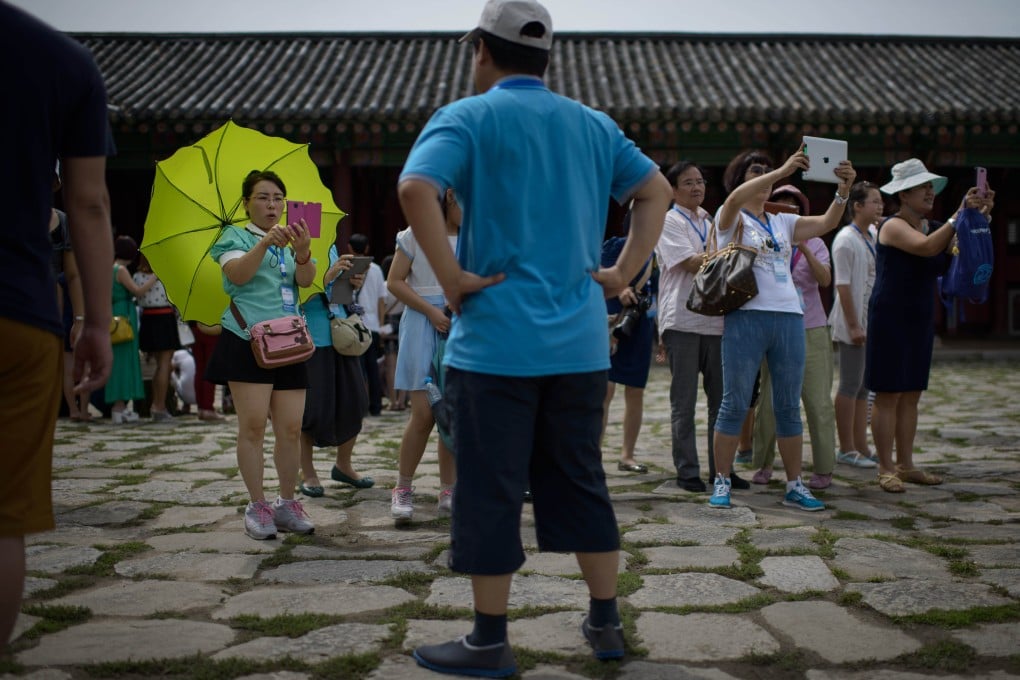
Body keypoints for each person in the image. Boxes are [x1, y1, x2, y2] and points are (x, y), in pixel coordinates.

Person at [397, 1, 672, 675]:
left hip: (492, 348)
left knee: (490, 488)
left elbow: (414, 186)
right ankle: (605, 625)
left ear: (479, 49)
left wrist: (454, 276)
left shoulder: (466, 116)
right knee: (582, 481)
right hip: (579, 345)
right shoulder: (592, 126)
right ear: (547, 58)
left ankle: (490, 641)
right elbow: (656, 191)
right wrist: (622, 272)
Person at [0, 2, 114, 652]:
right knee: (2, 523)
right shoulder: (63, 61)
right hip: (18, 308)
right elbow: (88, 201)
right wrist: (94, 322)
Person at [707, 148, 855, 512]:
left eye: (767, 175)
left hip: (790, 317)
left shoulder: (782, 223)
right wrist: (783, 169)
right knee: (734, 402)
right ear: (745, 183)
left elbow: (826, 223)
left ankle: (794, 484)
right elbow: (733, 199)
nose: (764, 180)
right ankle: (722, 480)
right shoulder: (731, 218)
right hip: (746, 318)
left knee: (788, 406)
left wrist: (844, 189)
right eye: (755, 174)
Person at [866, 159, 993, 492]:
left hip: (920, 315)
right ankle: (885, 467)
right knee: (888, 393)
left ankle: (906, 465)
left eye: (931, 187)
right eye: (922, 187)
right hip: (890, 316)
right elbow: (926, 248)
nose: (929, 192)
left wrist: (979, 216)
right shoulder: (891, 226)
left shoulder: (933, 225)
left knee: (911, 393)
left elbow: (957, 249)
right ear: (903, 194)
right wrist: (958, 214)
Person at [204, 169, 317, 539]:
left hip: (290, 342)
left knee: (291, 428)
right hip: (246, 339)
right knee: (252, 428)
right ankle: (257, 506)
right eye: (264, 197)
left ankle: (287, 503)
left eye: (278, 198)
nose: (272, 205)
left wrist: (303, 255)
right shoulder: (232, 236)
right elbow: (237, 275)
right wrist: (264, 243)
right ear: (246, 202)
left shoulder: (293, 236)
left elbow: (304, 282)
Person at [656, 161, 737, 492]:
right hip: (683, 320)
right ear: (673, 190)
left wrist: (730, 254)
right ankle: (687, 470)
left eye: (700, 181)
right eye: (687, 182)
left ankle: (722, 471)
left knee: (722, 402)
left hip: (717, 321)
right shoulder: (668, 220)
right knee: (684, 403)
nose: (696, 187)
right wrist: (733, 256)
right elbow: (690, 263)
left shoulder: (713, 220)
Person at [750, 185, 836, 489]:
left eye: (793, 208)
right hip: (775, 328)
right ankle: (762, 463)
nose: (787, 212)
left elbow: (825, 279)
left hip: (811, 327)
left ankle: (824, 467)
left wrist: (805, 247)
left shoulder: (816, 241)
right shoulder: (764, 240)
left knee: (816, 400)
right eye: (780, 208)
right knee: (770, 401)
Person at [386, 189, 459, 524]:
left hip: (460, 326)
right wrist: (432, 311)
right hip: (422, 322)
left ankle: (449, 490)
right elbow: (395, 282)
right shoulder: (415, 232)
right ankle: (403, 487)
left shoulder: (477, 236)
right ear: (449, 196)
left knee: (452, 412)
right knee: (423, 414)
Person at [297, 246, 373, 498]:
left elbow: (337, 297)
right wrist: (327, 277)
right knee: (310, 411)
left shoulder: (329, 245)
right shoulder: (290, 249)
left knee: (356, 403)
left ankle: (343, 464)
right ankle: (306, 471)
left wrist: (351, 284)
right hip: (311, 338)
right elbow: (294, 292)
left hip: (342, 336)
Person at [829, 181, 884, 468]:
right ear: (858, 206)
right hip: (853, 320)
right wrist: (853, 325)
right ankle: (846, 447)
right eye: (874, 201)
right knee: (850, 384)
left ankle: (861, 445)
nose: (880, 206)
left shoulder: (872, 234)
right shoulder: (845, 239)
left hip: (869, 318)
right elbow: (843, 285)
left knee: (865, 386)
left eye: (880, 201)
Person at [601, 214, 653, 475]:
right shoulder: (615, 246)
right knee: (605, 391)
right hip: (612, 323)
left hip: (640, 324)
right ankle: (594, 454)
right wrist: (620, 288)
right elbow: (600, 278)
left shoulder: (655, 250)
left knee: (635, 390)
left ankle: (627, 455)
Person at [50, 172, 90, 421]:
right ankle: (76, 410)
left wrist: (80, 318)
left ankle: (79, 410)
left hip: (62, 311)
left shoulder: (62, 221)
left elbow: (74, 276)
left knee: (72, 366)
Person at [107, 235, 157, 424]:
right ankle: (119, 407)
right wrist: (154, 277)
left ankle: (120, 407)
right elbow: (137, 291)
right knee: (125, 361)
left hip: (116, 312)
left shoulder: (110, 268)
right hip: (124, 315)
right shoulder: (120, 270)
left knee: (119, 360)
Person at [133, 254, 180, 422]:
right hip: (163, 318)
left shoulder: (137, 276)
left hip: (149, 319)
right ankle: (159, 406)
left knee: (160, 366)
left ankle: (157, 404)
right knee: (164, 365)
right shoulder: (162, 275)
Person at [348, 233, 387, 416]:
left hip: (355, 324)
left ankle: (360, 405)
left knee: (358, 367)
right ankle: (376, 406)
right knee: (373, 367)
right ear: (367, 248)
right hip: (373, 324)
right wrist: (381, 324)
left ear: (349, 248)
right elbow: (381, 301)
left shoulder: (347, 266)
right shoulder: (377, 270)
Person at [379, 254, 407, 412]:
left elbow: (382, 306)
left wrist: (381, 325)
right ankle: (402, 401)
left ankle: (393, 401)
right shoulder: (404, 284)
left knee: (391, 366)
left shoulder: (384, 285)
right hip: (402, 322)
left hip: (388, 323)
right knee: (404, 364)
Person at [190, 322, 225, 421]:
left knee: (200, 370)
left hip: (195, 327)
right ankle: (207, 408)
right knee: (210, 370)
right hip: (212, 328)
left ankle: (201, 408)